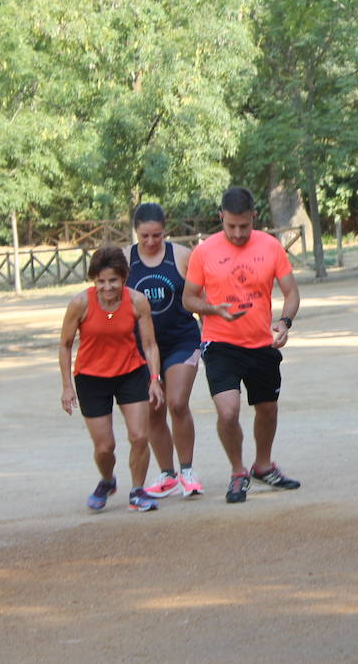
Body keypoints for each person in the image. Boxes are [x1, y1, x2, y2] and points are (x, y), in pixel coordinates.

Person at [183, 187, 302, 500]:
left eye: (244, 226)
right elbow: (188, 299)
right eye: (230, 226)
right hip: (220, 343)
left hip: (261, 343)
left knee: (267, 408)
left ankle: (262, 465)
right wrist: (212, 309)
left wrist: (284, 323)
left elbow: (291, 293)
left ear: (254, 217)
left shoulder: (271, 246)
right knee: (228, 412)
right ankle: (238, 472)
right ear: (221, 217)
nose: (237, 233)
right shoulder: (204, 252)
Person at [59, 246, 165, 512]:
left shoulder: (137, 301)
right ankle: (107, 480)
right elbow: (65, 345)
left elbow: (150, 345)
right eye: (101, 281)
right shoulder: (80, 304)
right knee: (105, 447)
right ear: (94, 280)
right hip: (91, 378)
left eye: (113, 281)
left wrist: (154, 379)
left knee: (140, 437)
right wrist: (66, 387)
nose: (107, 287)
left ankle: (137, 491)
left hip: (130, 373)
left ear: (124, 279)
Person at [128, 203, 204, 499]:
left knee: (177, 402)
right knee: (153, 411)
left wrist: (210, 336)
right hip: (142, 348)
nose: (150, 242)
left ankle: (187, 470)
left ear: (165, 230)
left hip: (181, 340)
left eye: (156, 235)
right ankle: (167, 475)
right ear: (136, 232)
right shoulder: (125, 261)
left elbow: (201, 299)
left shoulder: (183, 256)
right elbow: (113, 305)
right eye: (144, 236)